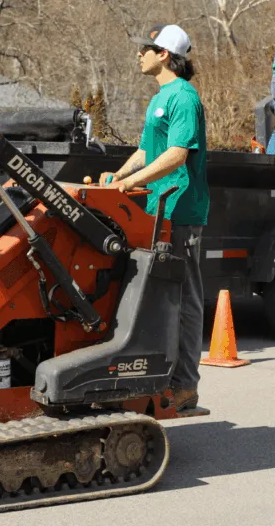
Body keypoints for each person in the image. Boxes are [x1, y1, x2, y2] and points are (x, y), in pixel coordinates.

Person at [99, 24, 209, 412]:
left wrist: (130, 185)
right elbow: (147, 152)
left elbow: (177, 154)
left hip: (181, 210)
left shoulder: (184, 97)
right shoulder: (160, 98)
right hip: (157, 210)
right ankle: (155, 376)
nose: (139, 54)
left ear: (164, 54)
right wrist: (117, 178)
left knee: (186, 299)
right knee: (157, 297)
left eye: (145, 49)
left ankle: (185, 386)